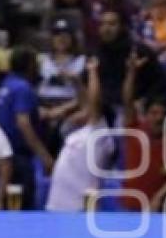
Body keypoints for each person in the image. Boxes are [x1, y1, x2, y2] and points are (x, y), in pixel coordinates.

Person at [119, 51, 166, 212]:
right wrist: (131, 73)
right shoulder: (134, 130)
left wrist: (158, 197)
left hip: (158, 211)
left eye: (162, 114)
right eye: (154, 113)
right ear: (146, 115)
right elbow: (127, 100)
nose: (158, 118)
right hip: (130, 209)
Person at [45, 58, 115, 211]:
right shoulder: (78, 133)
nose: (79, 112)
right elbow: (87, 102)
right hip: (58, 202)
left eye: (84, 110)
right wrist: (76, 81)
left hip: (81, 205)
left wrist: (92, 71)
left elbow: (93, 101)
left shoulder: (100, 134)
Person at [0, 46, 53, 210]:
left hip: (3, 154)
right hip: (19, 157)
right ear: (30, 65)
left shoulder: (5, 85)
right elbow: (23, 123)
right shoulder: (23, 88)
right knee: (22, 207)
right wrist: (44, 155)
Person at [93, 9, 166, 109]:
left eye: (112, 24)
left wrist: (145, 100)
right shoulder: (95, 52)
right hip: (103, 108)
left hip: (136, 107)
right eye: (102, 24)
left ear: (123, 27)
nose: (106, 28)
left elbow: (159, 84)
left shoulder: (140, 51)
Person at [38, 18, 85, 109]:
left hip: (72, 105)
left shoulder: (81, 60)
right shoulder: (41, 59)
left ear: (72, 38)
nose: (61, 38)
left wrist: (75, 79)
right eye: (57, 35)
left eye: (65, 34)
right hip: (44, 104)